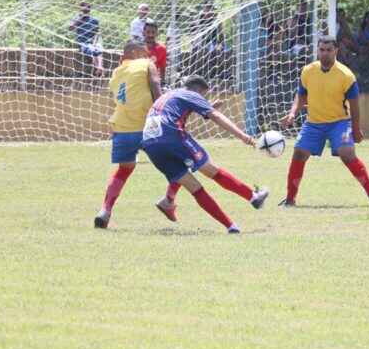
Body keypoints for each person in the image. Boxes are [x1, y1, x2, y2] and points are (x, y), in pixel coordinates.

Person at [142, 75, 269, 233]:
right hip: (171, 135)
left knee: (194, 186)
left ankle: (231, 226)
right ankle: (253, 197)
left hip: (150, 143)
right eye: (203, 95)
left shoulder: (170, 95)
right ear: (198, 90)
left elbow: (175, 112)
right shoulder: (192, 94)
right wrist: (242, 136)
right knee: (211, 170)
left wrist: (209, 106)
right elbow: (215, 116)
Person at [279, 36, 369, 207]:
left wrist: (356, 130)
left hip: (340, 123)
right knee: (299, 152)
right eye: (321, 50)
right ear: (317, 51)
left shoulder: (346, 75)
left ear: (336, 51)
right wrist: (292, 113)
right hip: (313, 123)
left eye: (329, 50)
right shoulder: (308, 71)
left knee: (347, 154)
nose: (325, 53)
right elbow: (301, 95)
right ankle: (290, 199)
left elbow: (355, 106)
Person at [94, 40, 162, 229]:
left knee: (124, 169)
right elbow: (156, 86)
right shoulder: (147, 64)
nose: (148, 55)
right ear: (135, 51)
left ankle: (105, 210)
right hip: (148, 126)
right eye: (144, 52)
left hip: (122, 128)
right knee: (178, 164)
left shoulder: (115, 73)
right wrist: (164, 112)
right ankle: (169, 199)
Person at [69, 1, 104, 76]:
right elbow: (70, 28)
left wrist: (94, 42)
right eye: (83, 7)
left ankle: (99, 67)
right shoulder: (76, 19)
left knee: (98, 47)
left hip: (92, 42)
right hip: (82, 42)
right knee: (90, 49)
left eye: (87, 7)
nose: (85, 8)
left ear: (90, 9)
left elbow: (96, 33)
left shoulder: (94, 20)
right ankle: (98, 68)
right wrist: (81, 18)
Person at [143, 20, 168, 85]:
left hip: (152, 81)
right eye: (148, 32)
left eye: (153, 32)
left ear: (157, 33)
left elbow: (162, 67)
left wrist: (162, 82)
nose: (150, 35)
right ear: (143, 33)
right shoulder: (136, 47)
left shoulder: (162, 48)